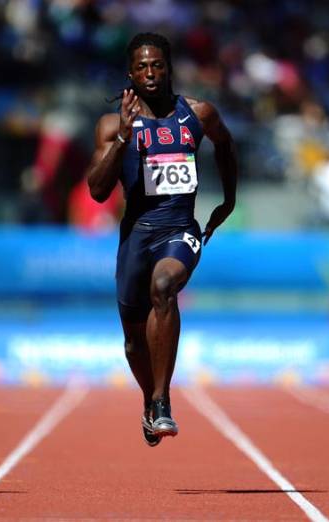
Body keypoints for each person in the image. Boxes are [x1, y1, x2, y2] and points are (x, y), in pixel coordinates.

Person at [85, 32, 237, 446]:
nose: (150, 73)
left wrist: (229, 200)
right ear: (130, 73)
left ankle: (162, 399)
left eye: (157, 65)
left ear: (168, 69)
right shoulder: (111, 124)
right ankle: (148, 404)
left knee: (164, 287)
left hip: (180, 231)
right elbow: (97, 190)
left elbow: (225, 145)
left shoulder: (199, 114)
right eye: (141, 67)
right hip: (136, 236)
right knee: (134, 341)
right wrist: (123, 137)